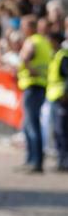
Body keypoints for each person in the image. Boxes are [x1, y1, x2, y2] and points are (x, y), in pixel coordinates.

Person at [17, 14, 53, 173]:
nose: (21, 29)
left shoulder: (32, 41)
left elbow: (25, 57)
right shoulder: (44, 41)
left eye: (23, 26)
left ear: (30, 27)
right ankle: (32, 159)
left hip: (32, 86)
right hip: (41, 85)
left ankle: (35, 161)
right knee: (30, 124)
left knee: (32, 125)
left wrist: (29, 68)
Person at [46, 30, 68, 171]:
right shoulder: (55, 56)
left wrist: (66, 93)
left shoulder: (63, 56)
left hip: (62, 98)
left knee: (63, 131)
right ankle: (61, 161)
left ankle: (64, 161)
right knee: (57, 131)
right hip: (54, 97)